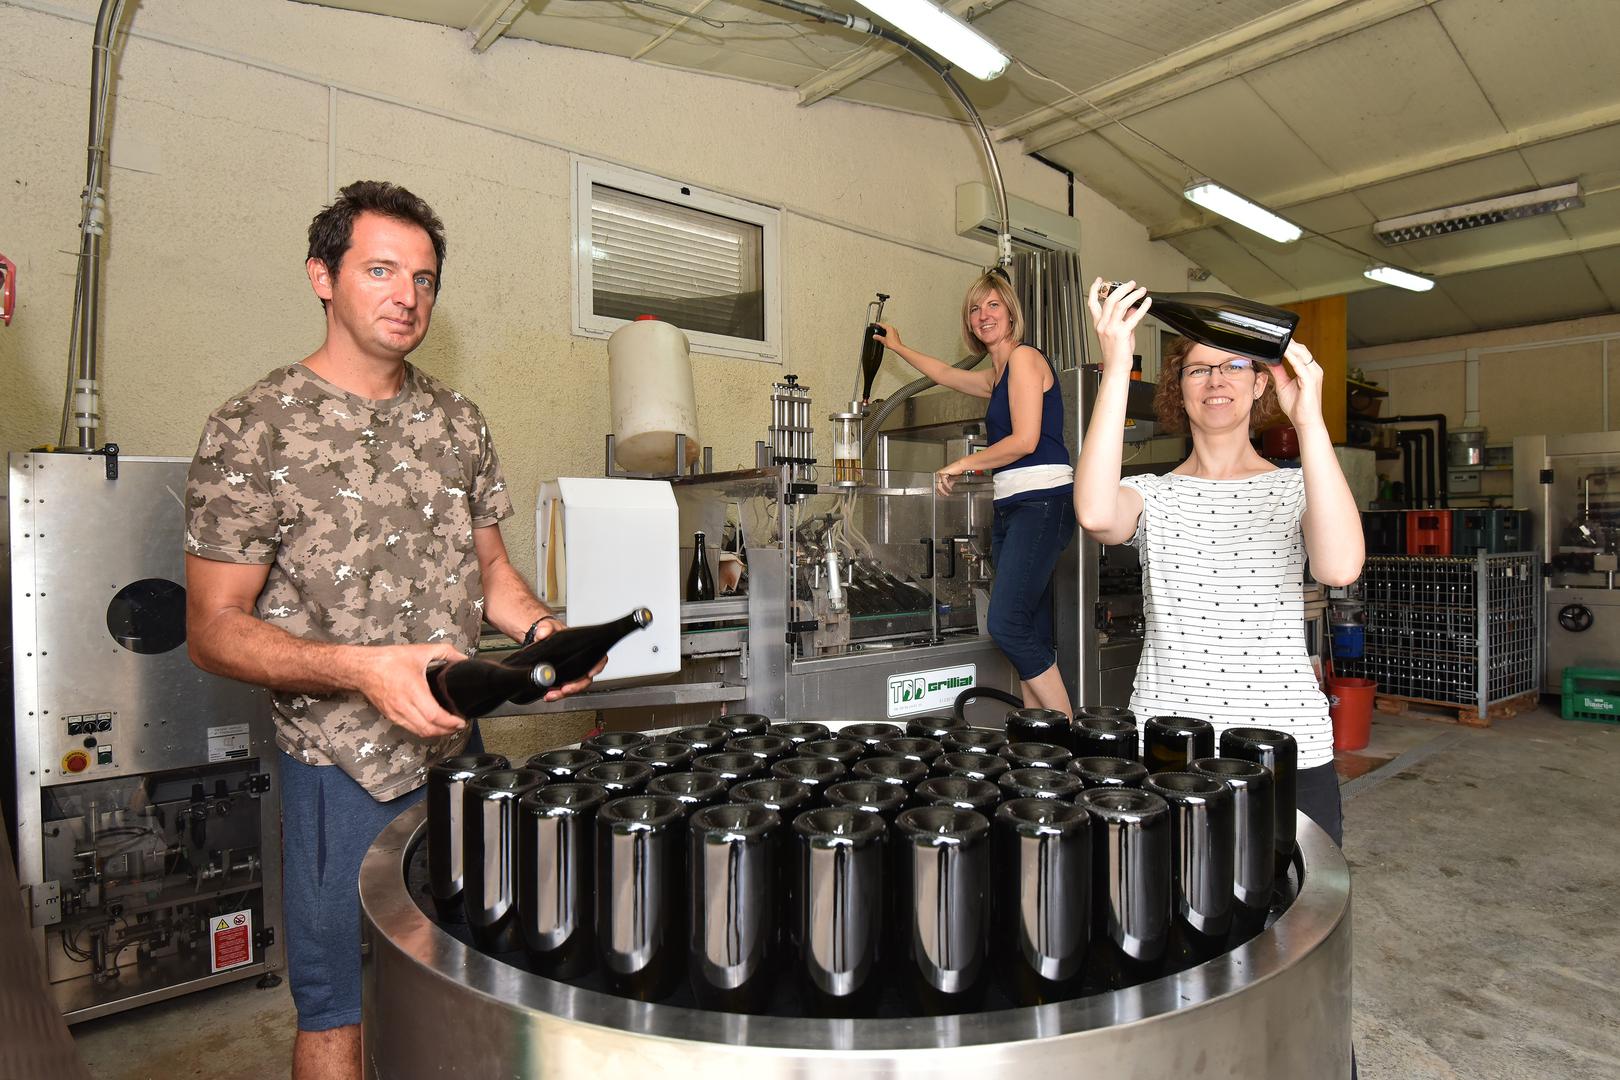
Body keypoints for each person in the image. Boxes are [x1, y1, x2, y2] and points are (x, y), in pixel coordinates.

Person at [183, 181, 600, 1080]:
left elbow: (492, 573)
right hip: (340, 769)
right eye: (380, 270)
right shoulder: (254, 428)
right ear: (322, 277)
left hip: (457, 750)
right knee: (340, 1006)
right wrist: (362, 670)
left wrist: (542, 632)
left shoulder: (458, 421)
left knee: (466, 975)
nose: (407, 295)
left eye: (423, 278)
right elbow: (213, 630)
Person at [1074, 279, 1364, 845]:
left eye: (1234, 366)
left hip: (1284, 742)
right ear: (1179, 390)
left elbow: (1340, 568)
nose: (1216, 380)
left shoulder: (1299, 488)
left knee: (1294, 895)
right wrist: (1117, 365)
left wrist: (1309, 421)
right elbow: (1093, 512)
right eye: (1198, 370)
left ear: (1260, 383)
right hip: (1170, 742)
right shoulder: (1152, 494)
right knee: (1174, 894)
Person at [875, 270, 1076, 715]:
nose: (983, 315)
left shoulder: (1024, 359)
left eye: (992, 305)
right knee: (1029, 629)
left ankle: (1066, 730)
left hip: (1042, 502)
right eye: (974, 309)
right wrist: (898, 347)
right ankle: (1037, 739)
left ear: (1011, 313)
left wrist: (963, 463)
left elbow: (1025, 440)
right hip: (1013, 506)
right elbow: (946, 374)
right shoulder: (996, 375)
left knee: (1006, 625)